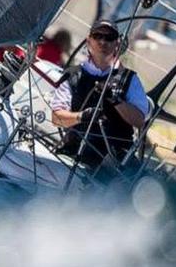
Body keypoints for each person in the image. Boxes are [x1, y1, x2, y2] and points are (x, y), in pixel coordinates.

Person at [50, 20, 149, 169]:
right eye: (98, 36)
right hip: (75, 152)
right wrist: (82, 116)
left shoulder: (130, 79)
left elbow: (139, 120)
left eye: (109, 37)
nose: (103, 41)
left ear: (117, 43)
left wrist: (116, 101)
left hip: (113, 161)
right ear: (89, 40)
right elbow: (56, 118)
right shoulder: (73, 75)